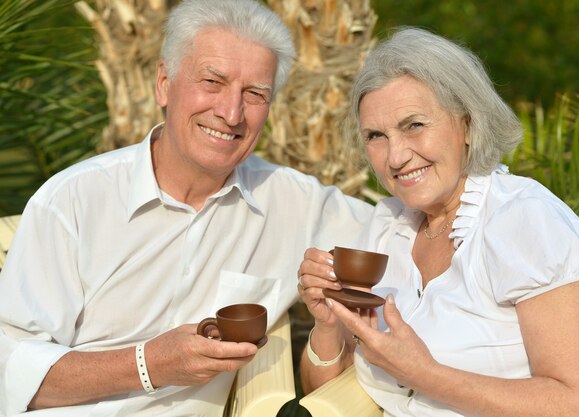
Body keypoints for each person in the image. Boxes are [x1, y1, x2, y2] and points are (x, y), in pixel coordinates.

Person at [0, 1, 373, 416]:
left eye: (254, 94)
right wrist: (148, 365)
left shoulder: (291, 202)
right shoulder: (71, 201)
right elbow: (9, 371)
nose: (231, 113)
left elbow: (414, 234)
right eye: (212, 81)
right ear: (164, 82)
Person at [298, 27, 579, 417]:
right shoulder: (388, 226)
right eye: (376, 135)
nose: (396, 156)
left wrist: (425, 374)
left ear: (467, 125)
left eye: (414, 125)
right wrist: (328, 324)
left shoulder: (522, 220)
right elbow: (323, 395)